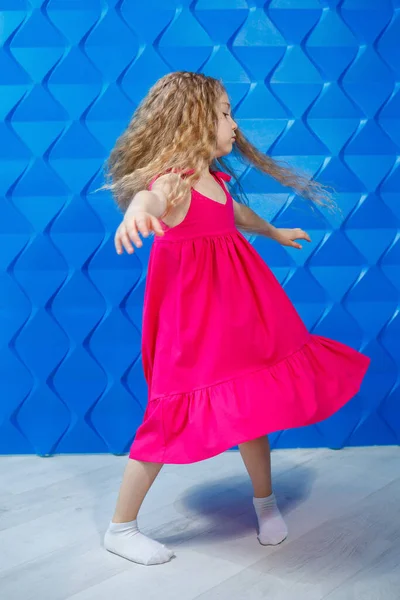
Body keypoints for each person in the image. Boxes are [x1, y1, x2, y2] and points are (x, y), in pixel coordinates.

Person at [102, 71, 371, 566]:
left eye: (230, 112)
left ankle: (265, 504)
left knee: (253, 407)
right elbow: (151, 198)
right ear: (192, 121)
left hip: (238, 316)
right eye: (224, 113)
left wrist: (275, 231)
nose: (233, 123)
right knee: (166, 419)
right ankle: (120, 528)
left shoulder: (216, 180)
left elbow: (236, 216)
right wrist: (135, 212)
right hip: (192, 328)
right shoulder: (174, 184)